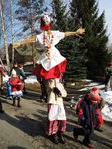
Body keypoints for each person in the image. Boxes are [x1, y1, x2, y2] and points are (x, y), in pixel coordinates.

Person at [13, 14, 85, 143]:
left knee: (61, 114)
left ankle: (60, 133)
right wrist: (19, 43)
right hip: (52, 95)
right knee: (53, 113)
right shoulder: (41, 38)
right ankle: (52, 133)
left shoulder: (55, 35)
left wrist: (75, 32)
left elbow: (65, 33)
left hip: (59, 93)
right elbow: (31, 39)